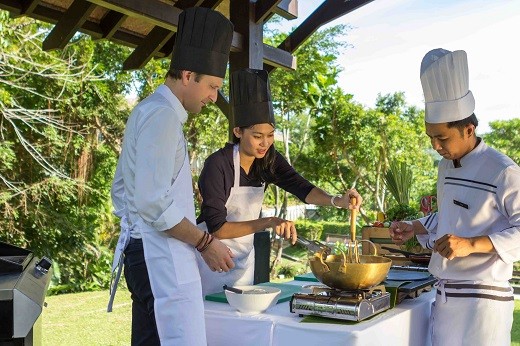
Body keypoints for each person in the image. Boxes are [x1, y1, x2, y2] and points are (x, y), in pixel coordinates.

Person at [108, 7, 235, 345]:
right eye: (211, 86)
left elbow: (122, 190)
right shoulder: (162, 117)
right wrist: (206, 243)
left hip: (147, 254)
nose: (213, 97)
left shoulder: (152, 111)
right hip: (155, 259)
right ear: (188, 75)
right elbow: (152, 202)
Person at [389, 48, 520, 345]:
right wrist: (416, 226)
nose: (436, 146)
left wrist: (471, 245)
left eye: (442, 138)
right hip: (445, 295)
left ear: (469, 128)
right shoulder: (445, 166)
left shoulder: (503, 171)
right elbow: (453, 212)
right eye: (430, 138)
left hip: (483, 303)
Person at [196, 68, 363, 296]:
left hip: (243, 264)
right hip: (209, 262)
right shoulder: (218, 165)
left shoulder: (269, 159)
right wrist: (268, 222)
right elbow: (218, 229)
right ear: (238, 131)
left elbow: (302, 188)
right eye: (257, 136)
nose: (265, 143)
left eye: (271, 135)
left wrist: (338, 201)